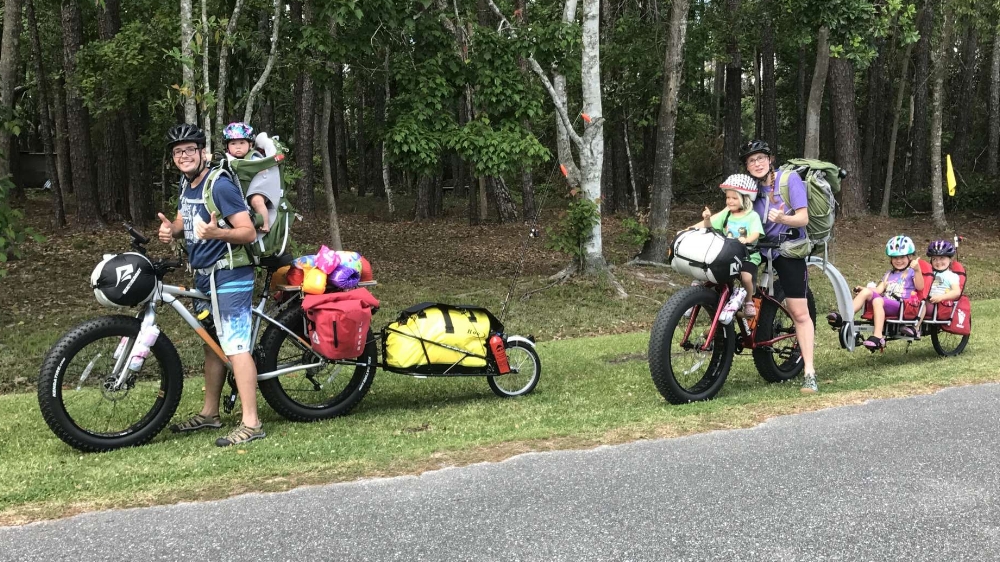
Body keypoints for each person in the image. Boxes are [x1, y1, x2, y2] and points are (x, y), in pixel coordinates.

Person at [157, 123, 266, 447]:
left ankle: (252, 422)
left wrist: (218, 234)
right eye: (178, 152)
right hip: (204, 275)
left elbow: (247, 231)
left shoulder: (219, 186)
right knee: (212, 345)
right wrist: (172, 230)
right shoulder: (187, 183)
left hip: (230, 274)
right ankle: (210, 413)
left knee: (235, 345)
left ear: (203, 152)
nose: (184, 156)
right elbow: (185, 220)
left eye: (190, 149)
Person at [741, 139, 819, 393]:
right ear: (747, 166)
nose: (757, 163)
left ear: (770, 159)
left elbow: (803, 217)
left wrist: (783, 217)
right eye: (751, 160)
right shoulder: (748, 188)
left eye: (761, 158)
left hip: (788, 248)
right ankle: (745, 310)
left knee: (799, 312)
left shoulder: (788, 180)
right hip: (760, 246)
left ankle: (809, 372)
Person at [690, 173, 763, 318]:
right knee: (711, 271)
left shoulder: (751, 216)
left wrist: (747, 239)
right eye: (728, 197)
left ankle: (748, 301)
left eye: (734, 198)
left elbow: (756, 232)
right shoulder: (727, 215)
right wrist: (707, 219)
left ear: (745, 198)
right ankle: (694, 297)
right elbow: (710, 227)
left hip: (747, 255)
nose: (730, 201)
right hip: (729, 255)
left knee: (746, 277)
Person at [833, 235, 924, 349]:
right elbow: (878, 290)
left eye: (902, 257)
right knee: (867, 292)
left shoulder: (911, 272)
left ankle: (877, 336)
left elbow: (920, 287)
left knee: (878, 301)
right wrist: (864, 289)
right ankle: (843, 317)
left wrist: (917, 270)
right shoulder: (889, 274)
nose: (898, 260)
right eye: (895, 258)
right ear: (890, 259)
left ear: (909, 257)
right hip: (885, 302)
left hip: (901, 306)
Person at [223, 121, 282, 233]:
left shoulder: (253, 157)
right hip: (239, 190)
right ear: (227, 146)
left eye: (242, 143)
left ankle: (265, 224)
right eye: (233, 144)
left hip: (258, 188)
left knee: (257, 201)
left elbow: (264, 167)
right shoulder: (227, 159)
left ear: (250, 145)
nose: (238, 147)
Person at [913, 239, 962, 335]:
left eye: (942, 258)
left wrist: (941, 297)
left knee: (923, 302)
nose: (938, 262)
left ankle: (915, 328)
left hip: (938, 304)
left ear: (950, 259)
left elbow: (956, 292)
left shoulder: (951, 276)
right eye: (934, 259)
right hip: (925, 299)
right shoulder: (929, 272)